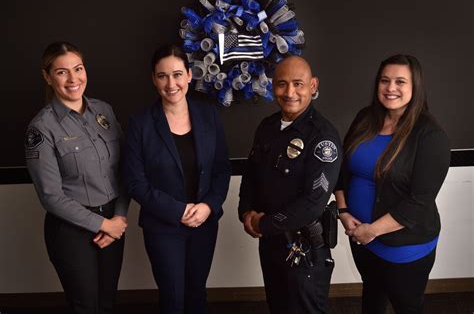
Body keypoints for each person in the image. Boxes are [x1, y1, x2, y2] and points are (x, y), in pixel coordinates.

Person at [334, 54, 450, 313]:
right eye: (385, 80)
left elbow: (419, 203)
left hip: (404, 247)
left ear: (415, 87)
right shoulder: (365, 118)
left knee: (406, 306)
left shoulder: (430, 136)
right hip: (361, 238)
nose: (391, 88)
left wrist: (372, 230)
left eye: (400, 81)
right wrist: (343, 211)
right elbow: (341, 169)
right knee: (372, 300)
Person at [123, 44, 231, 314]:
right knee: (172, 299)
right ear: (153, 79)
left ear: (189, 75)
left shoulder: (208, 115)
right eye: (162, 76)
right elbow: (136, 183)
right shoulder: (141, 124)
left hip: (204, 224)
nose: (171, 83)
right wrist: (179, 210)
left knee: (197, 294)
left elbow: (221, 170)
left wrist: (208, 207)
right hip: (163, 226)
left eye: (177, 74)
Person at [25, 41, 129, 314]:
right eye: (61, 72)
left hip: (113, 223)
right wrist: (103, 224)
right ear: (47, 77)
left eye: (78, 68)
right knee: (86, 307)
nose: (73, 79)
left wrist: (118, 218)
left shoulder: (104, 111)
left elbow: (124, 169)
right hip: (71, 230)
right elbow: (51, 196)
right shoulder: (42, 127)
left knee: (107, 304)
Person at [239, 55, 342, 313]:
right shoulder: (267, 127)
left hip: (305, 250)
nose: (290, 92)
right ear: (273, 86)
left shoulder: (323, 137)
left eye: (298, 84)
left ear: (313, 86)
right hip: (271, 243)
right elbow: (251, 175)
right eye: (282, 84)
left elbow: (312, 203)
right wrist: (245, 212)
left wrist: (263, 223)